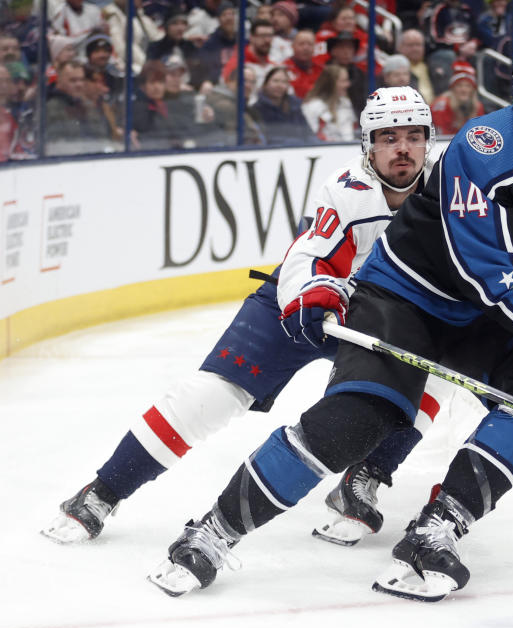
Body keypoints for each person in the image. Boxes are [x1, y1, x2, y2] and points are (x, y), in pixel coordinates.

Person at [146, 32, 513, 602]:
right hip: (406, 298)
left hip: (491, 314)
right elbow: (488, 271)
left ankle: (439, 528)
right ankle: (214, 533)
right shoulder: (481, 150)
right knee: (357, 419)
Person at [42, 86, 444, 546]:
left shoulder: (447, 190)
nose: (403, 149)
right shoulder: (348, 191)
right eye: (388, 137)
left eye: (414, 136)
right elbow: (308, 256)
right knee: (208, 396)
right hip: (302, 306)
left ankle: (365, 477)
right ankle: (102, 492)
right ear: (367, 144)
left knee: (429, 380)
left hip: (380, 318)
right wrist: (312, 298)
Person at [248, 65, 314, 146]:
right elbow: (264, 140)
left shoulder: (295, 106)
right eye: (275, 81)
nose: (279, 85)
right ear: (265, 83)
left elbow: (308, 134)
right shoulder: (256, 110)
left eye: (284, 82)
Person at [301, 63, 357, 141]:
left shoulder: (346, 102)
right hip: (325, 150)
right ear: (331, 84)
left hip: (349, 149)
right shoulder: (312, 106)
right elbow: (311, 137)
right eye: (343, 81)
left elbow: (352, 131)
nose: (348, 84)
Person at [429, 60, 484, 135]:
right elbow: (442, 137)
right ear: (453, 89)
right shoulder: (440, 106)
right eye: (459, 85)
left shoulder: (478, 107)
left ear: (473, 90)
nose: (464, 90)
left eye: (468, 86)